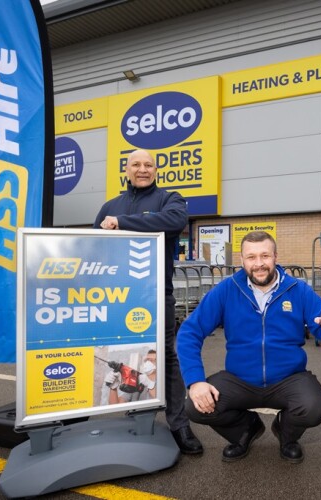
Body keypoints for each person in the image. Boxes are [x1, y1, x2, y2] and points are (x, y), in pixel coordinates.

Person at [176, 231, 321, 464]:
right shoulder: (227, 290)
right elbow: (189, 332)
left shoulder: (298, 290)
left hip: (288, 378)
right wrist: (195, 382)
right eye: (251, 257)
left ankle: (286, 434)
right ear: (242, 261)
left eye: (264, 256)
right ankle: (246, 430)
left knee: (314, 406)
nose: (258, 264)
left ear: (275, 256)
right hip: (240, 379)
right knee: (195, 405)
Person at [94, 148, 203, 455]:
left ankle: (179, 424)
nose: (142, 169)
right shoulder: (109, 206)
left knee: (166, 356)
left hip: (157, 295)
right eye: (136, 164)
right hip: (119, 298)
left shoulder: (170, 199)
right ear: (126, 169)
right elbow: (95, 246)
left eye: (148, 165)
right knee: (128, 356)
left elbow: (174, 221)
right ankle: (139, 415)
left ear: (156, 170)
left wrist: (122, 223)